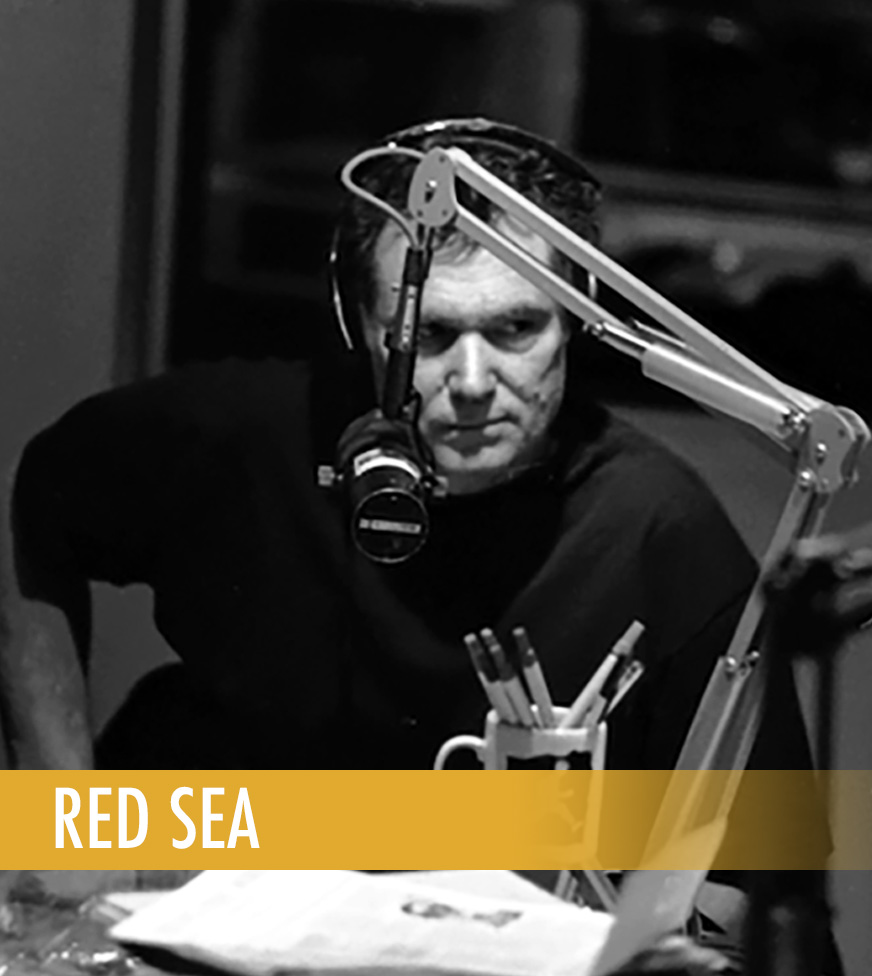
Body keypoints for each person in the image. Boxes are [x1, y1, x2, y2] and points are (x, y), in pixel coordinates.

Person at [0, 118, 817, 789]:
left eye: (516, 328)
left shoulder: (657, 528)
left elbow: (751, 876)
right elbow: (29, 502)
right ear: (358, 321)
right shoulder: (242, 432)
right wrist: (54, 803)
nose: (473, 381)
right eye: (429, 336)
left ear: (577, 317)